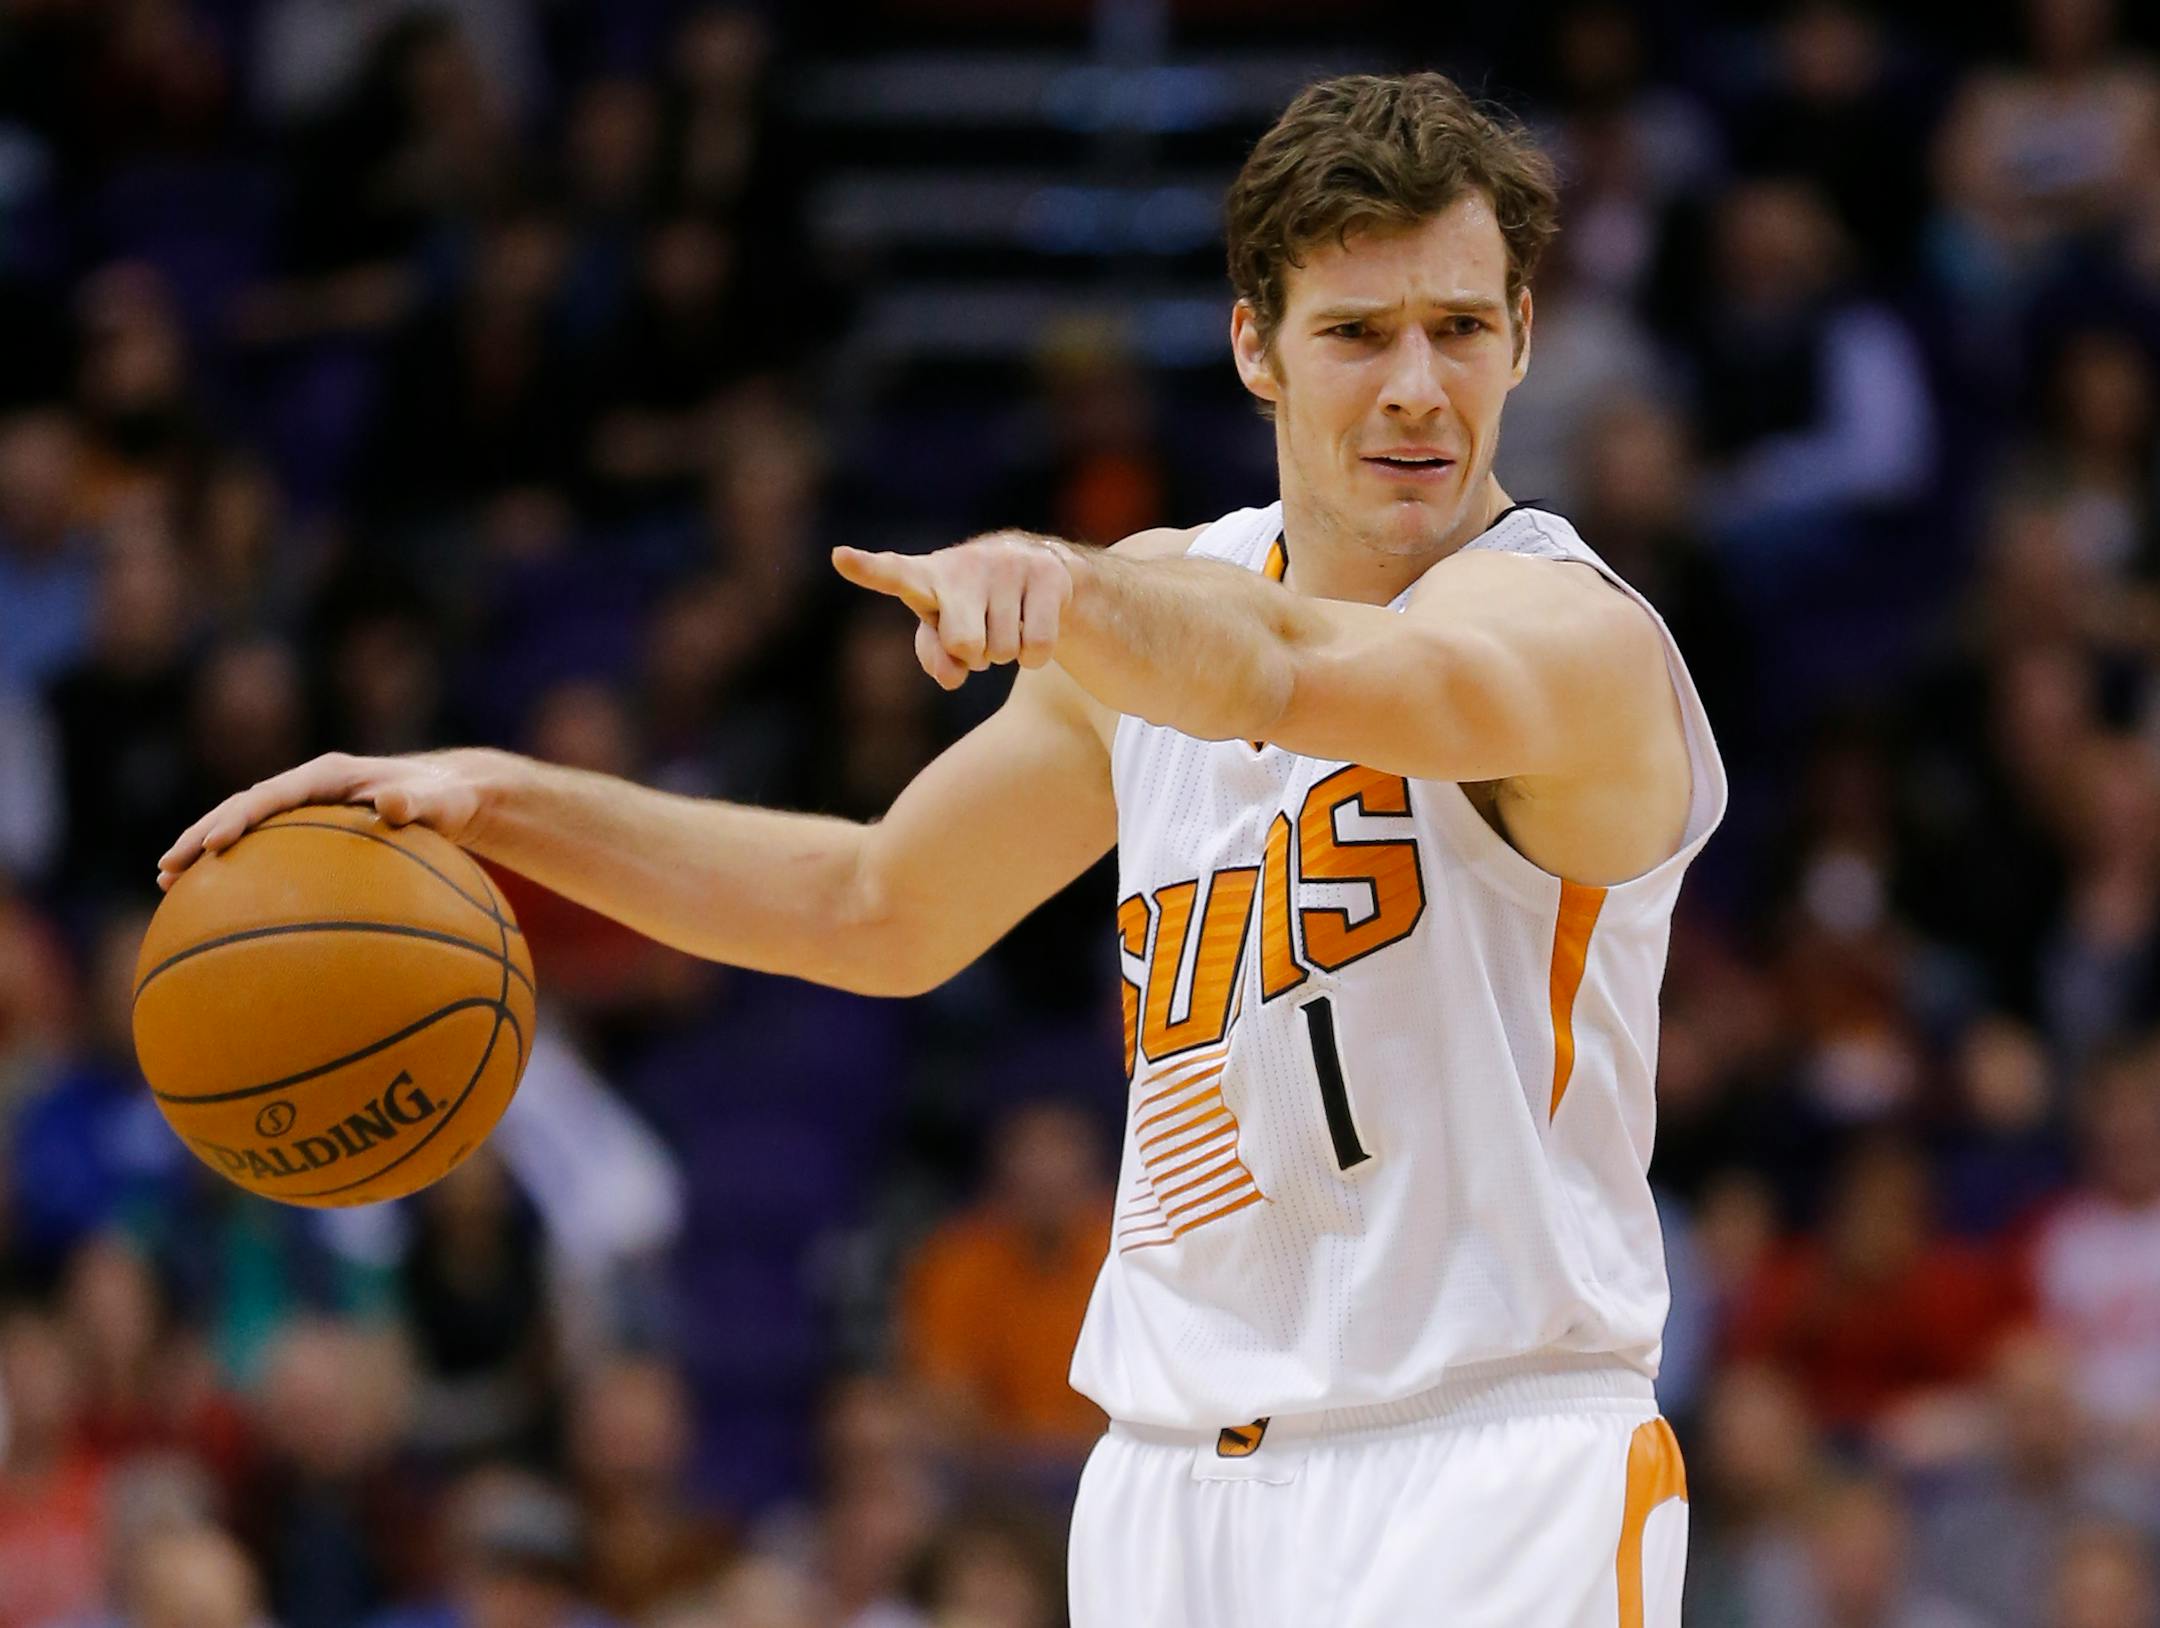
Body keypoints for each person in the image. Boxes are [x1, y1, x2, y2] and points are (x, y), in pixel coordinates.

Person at [160, 72, 1722, 1627]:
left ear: (1524, 333)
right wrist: (498, 802)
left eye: (1459, 327)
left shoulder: (1564, 634)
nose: (1415, 387)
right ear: (1254, 345)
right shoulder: (1161, 612)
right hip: (1173, 1489)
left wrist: (1072, 589)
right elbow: (871, 904)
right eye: (1357, 333)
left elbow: (1308, 677)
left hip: (1484, 1472)